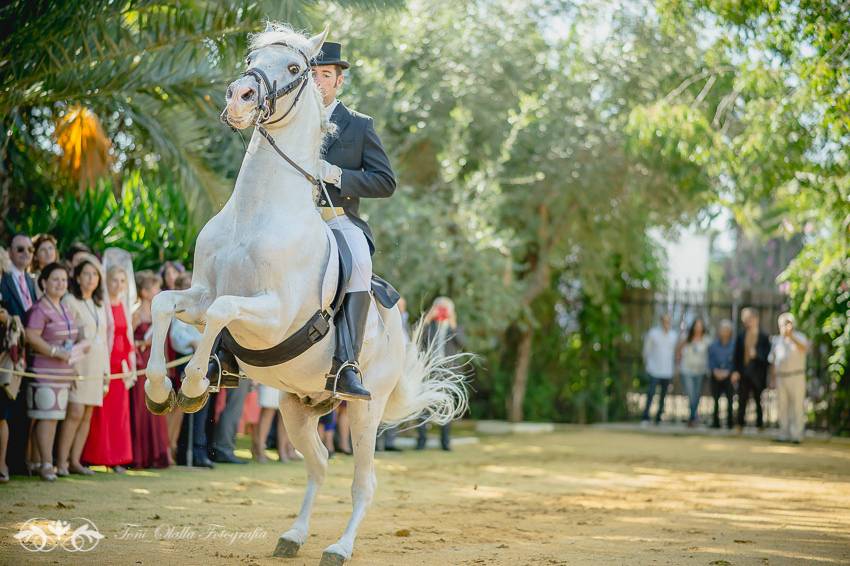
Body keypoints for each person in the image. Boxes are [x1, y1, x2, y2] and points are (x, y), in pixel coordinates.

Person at [25, 263, 88, 481]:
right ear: (43, 282)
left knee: (54, 418)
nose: (60, 283)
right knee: (46, 418)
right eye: (55, 279)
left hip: (63, 372)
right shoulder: (40, 309)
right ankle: (44, 463)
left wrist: (81, 345)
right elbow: (31, 335)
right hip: (45, 371)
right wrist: (54, 351)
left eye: (63, 279)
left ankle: (41, 462)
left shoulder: (65, 307)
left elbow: (74, 335)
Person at [56, 256, 109, 476]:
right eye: (86, 274)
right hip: (78, 364)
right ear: (77, 277)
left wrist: (106, 371)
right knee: (75, 411)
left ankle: (75, 460)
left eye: (95, 274)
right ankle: (60, 462)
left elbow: (104, 339)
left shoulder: (98, 304)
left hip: (97, 365)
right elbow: (66, 336)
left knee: (87, 413)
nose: (91, 278)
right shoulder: (69, 300)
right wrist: (71, 367)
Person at [82, 264, 134, 473]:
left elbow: (128, 337)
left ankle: (118, 458)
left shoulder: (124, 305)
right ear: (107, 281)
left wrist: (129, 363)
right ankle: (94, 456)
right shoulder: (102, 304)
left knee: (119, 413)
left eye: (122, 281)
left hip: (121, 365)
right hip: (106, 362)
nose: (118, 285)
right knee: (100, 412)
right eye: (115, 280)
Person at [0, 234, 37, 476]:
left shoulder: (33, 282)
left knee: (23, 408)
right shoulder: (3, 279)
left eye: (30, 249)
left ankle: (18, 462)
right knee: (6, 407)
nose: (26, 253)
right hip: (7, 351)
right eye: (20, 249)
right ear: (10, 252)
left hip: (28, 353)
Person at [130, 270, 170, 468]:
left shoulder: (158, 314)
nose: (159, 291)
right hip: (139, 364)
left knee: (156, 406)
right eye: (155, 288)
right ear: (145, 292)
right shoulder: (136, 313)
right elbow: (127, 340)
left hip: (154, 362)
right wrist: (139, 344)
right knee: (141, 408)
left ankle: (157, 454)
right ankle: (140, 456)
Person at [416, 297, 465, 451]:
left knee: (446, 406)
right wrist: (427, 318)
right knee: (423, 406)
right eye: (440, 308)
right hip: (429, 370)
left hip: (448, 371)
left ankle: (445, 442)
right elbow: (415, 337)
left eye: (445, 308)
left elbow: (463, 343)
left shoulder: (455, 327)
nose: (442, 311)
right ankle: (421, 441)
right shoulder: (429, 326)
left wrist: (453, 323)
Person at [769, 313, 809, 443]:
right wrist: (772, 378)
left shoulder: (800, 337)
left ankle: (796, 435)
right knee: (782, 406)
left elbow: (804, 348)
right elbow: (773, 361)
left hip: (796, 376)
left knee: (797, 406)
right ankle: (783, 433)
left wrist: (791, 337)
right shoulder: (777, 341)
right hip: (781, 377)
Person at [732, 307, 771, 431]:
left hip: (758, 374)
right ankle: (739, 425)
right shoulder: (741, 336)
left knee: (758, 400)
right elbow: (736, 355)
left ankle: (760, 424)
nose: (747, 321)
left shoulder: (764, 337)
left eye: (749, 318)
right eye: (745, 319)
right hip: (743, 373)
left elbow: (767, 356)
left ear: (756, 319)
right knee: (742, 400)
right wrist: (735, 371)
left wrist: (757, 355)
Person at [641, 313, 678, 425]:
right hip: (654, 370)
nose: (667, 323)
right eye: (665, 321)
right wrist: (648, 366)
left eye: (668, 321)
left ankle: (658, 418)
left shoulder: (674, 335)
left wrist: (675, 368)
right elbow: (646, 351)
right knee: (651, 393)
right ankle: (645, 417)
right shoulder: (653, 333)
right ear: (661, 321)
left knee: (663, 396)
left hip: (667, 371)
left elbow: (675, 353)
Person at [677, 318, 709, 427]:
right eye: (696, 325)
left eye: (700, 325)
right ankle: (693, 416)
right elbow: (678, 352)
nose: (698, 327)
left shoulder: (706, 340)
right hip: (687, 370)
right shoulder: (686, 338)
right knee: (691, 394)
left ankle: (692, 417)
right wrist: (677, 365)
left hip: (700, 371)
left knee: (696, 395)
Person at [254, 384, 299, 463]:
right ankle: (259, 449)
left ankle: (282, 450)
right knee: (268, 412)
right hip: (271, 378)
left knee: (285, 414)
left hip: (288, 380)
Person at [707, 319, 736, 429]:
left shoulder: (734, 345)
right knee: (715, 400)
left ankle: (729, 422)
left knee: (730, 400)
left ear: (730, 331)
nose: (724, 332)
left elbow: (735, 361)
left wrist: (728, 372)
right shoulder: (713, 346)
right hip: (715, 376)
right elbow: (710, 360)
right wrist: (715, 370)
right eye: (722, 329)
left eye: (726, 329)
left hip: (729, 376)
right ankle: (715, 422)